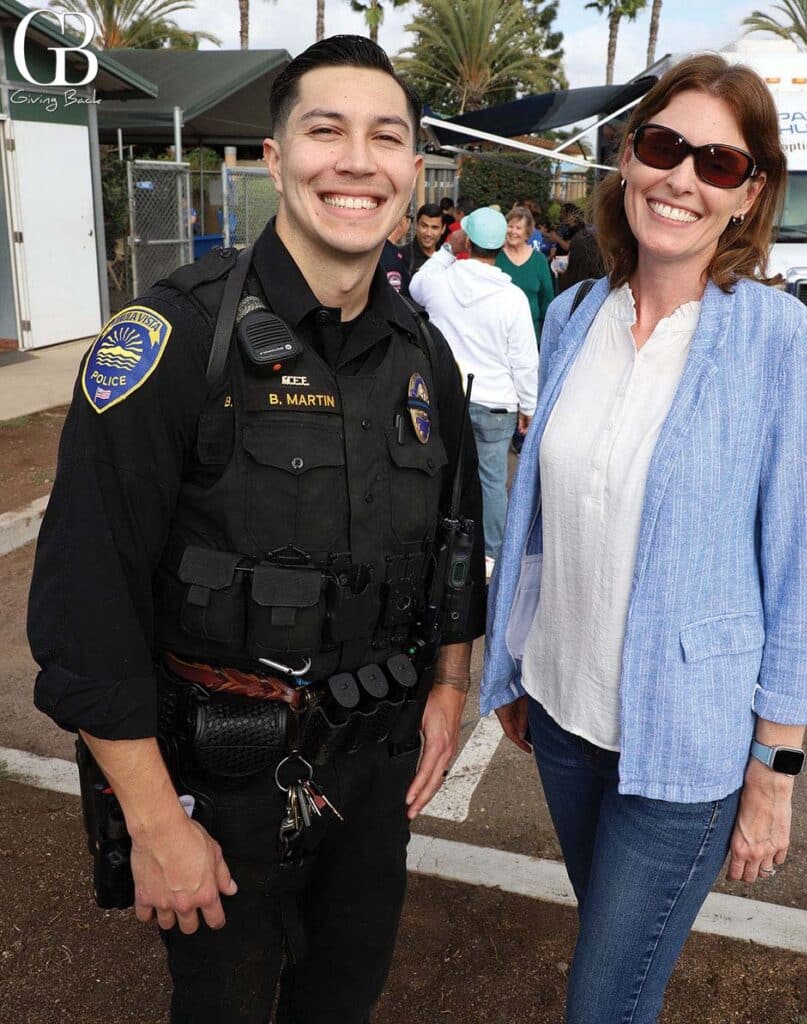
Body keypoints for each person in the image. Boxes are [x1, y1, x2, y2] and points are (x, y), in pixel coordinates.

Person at [28, 35, 486, 1024]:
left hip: (373, 775)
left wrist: (451, 681)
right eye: (326, 131)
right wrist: (155, 823)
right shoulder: (173, 341)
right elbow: (83, 601)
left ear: (414, 170)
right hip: (219, 779)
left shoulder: (426, 359)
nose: (356, 160)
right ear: (276, 159)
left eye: (386, 137)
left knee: (342, 1000)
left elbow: (458, 531)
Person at [481, 54, 807, 1024]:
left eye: (717, 162)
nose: (682, 176)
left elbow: (799, 575)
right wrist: (514, 661)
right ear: (628, 161)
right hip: (560, 717)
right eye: (663, 145)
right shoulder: (571, 315)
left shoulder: (780, 342)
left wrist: (776, 776)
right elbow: (543, 509)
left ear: (749, 192)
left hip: (687, 745)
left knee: (603, 1002)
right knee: (620, 953)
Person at [410, 207, 538, 580]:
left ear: (465, 240)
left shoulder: (442, 281)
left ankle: (439, 541)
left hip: (447, 396)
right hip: (497, 401)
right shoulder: (511, 297)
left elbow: (418, 284)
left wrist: (448, 251)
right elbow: (524, 360)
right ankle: (490, 556)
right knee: (492, 480)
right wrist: (528, 405)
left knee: (443, 472)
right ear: (499, 246)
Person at [495, 205, 555, 342]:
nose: (513, 231)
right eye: (510, 226)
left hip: (531, 335)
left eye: (518, 228)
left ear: (527, 233)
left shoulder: (539, 260)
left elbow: (547, 300)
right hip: (500, 334)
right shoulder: (496, 256)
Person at [402, 201, 445, 275]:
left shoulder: (447, 258)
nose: (428, 233)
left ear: (443, 229)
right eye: (424, 226)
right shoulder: (402, 257)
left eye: (434, 228)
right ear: (416, 225)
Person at [381, 210, 412, 295]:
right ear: (402, 219)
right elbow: (395, 298)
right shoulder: (390, 257)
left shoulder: (381, 249)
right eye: (410, 219)